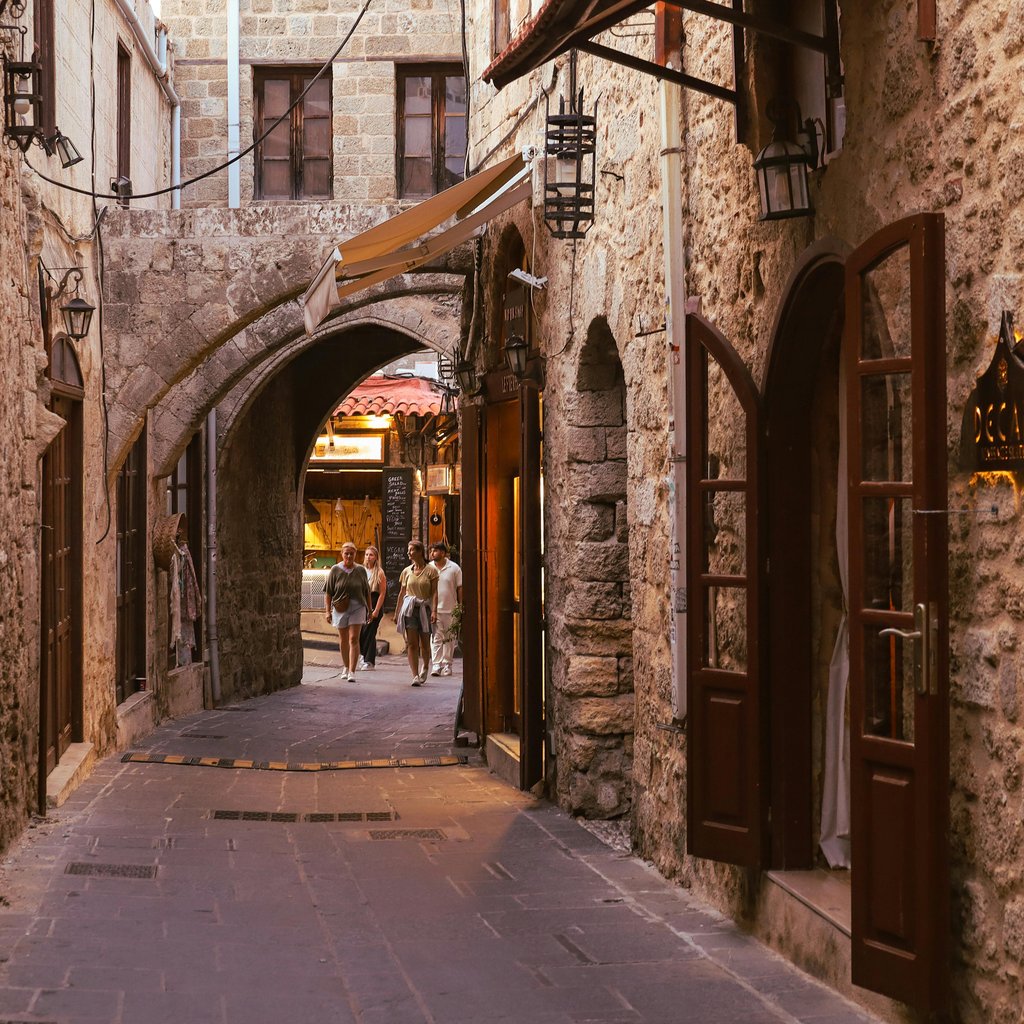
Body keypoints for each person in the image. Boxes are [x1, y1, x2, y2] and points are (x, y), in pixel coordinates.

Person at [322, 541, 371, 684]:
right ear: (342, 554)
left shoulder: (361, 570)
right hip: (340, 607)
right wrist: (327, 611)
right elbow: (328, 592)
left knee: (354, 638)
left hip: (357, 607)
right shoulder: (335, 570)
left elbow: (366, 591)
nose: (349, 556)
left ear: (355, 554)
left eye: (351, 554)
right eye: (346, 553)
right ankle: (346, 666)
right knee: (343, 639)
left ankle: (352, 671)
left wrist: (370, 609)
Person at [393, 540, 438, 686]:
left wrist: (434, 610)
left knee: (425, 643)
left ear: (419, 552)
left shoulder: (431, 571)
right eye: (408, 549)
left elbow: (434, 592)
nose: (408, 552)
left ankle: (425, 666)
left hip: (425, 608)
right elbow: (402, 593)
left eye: (411, 550)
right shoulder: (406, 571)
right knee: (412, 644)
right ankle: (415, 675)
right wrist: (397, 612)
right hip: (409, 609)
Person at [429, 541, 462, 677]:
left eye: (435, 551)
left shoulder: (454, 568)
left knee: (449, 638)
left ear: (442, 553)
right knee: (436, 637)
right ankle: (436, 665)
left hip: (450, 608)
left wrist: (460, 606)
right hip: (434, 609)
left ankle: (447, 664)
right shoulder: (429, 567)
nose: (432, 553)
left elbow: (459, 588)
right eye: (431, 551)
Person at [356, 545, 387, 671]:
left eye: (371, 555)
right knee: (360, 632)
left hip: (374, 603)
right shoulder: (361, 570)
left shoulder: (379, 572)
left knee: (369, 632)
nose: (368, 557)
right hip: (362, 604)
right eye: (367, 554)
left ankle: (369, 661)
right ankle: (363, 656)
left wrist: (376, 610)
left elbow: (382, 593)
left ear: (376, 558)